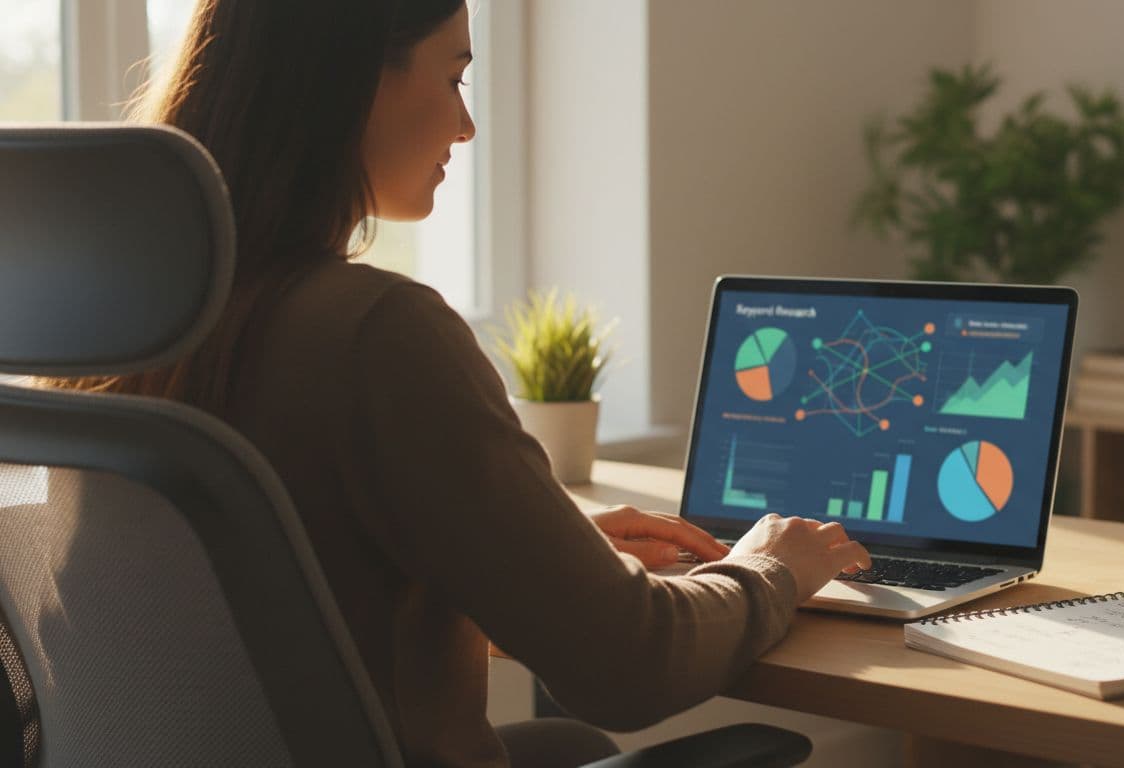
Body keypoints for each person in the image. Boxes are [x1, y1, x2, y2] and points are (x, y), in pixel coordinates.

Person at [55, 2, 871, 766]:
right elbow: (631, 665)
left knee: (564, 742)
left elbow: (292, 583)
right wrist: (771, 567)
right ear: (353, 83)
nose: (468, 125)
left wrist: (545, 546)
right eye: (453, 78)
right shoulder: (375, 331)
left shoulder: (120, 324)